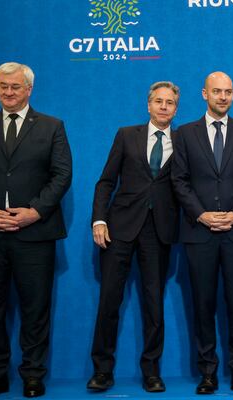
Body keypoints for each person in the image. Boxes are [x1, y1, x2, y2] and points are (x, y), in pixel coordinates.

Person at [0, 62, 72, 398]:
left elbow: (62, 175)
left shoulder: (52, 127)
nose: (8, 92)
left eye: (15, 87)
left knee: (35, 309)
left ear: (29, 89)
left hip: (34, 235)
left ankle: (33, 375)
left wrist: (34, 212)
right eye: (3, 86)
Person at [86, 81, 181, 393]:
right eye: (158, 101)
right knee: (109, 300)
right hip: (119, 228)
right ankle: (102, 371)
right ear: (148, 104)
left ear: (176, 108)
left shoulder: (185, 142)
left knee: (154, 305)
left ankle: (152, 372)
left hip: (160, 231)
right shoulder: (127, 135)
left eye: (170, 103)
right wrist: (99, 219)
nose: (164, 107)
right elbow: (105, 182)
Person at [171, 71, 233, 395]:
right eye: (217, 92)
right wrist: (201, 214)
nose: (223, 97)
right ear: (204, 94)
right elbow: (178, 180)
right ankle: (207, 372)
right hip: (200, 233)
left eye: (229, 92)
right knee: (203, 303)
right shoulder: (184, 133)